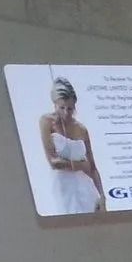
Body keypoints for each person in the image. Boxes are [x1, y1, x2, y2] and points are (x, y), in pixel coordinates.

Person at [37, 77, 103, 214]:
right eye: (62, 108)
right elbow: (53, 162)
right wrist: (80, 165)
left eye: (70, 108)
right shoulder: (46, 122)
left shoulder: (82, 129)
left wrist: (103, 196)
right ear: (55, 104)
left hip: (86, 188)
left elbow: (92, 167)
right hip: (63, 189)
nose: (66, 113)